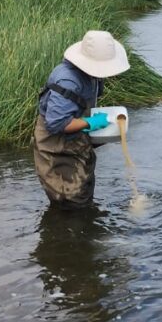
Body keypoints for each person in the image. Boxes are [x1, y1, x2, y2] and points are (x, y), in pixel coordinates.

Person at [32, 30, 130, 208]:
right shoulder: (67, 81)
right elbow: (57, 123)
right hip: (57, 147)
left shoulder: (92, 76)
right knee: (70, 201)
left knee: (84, 187)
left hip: (75, 140)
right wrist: (91, 123)